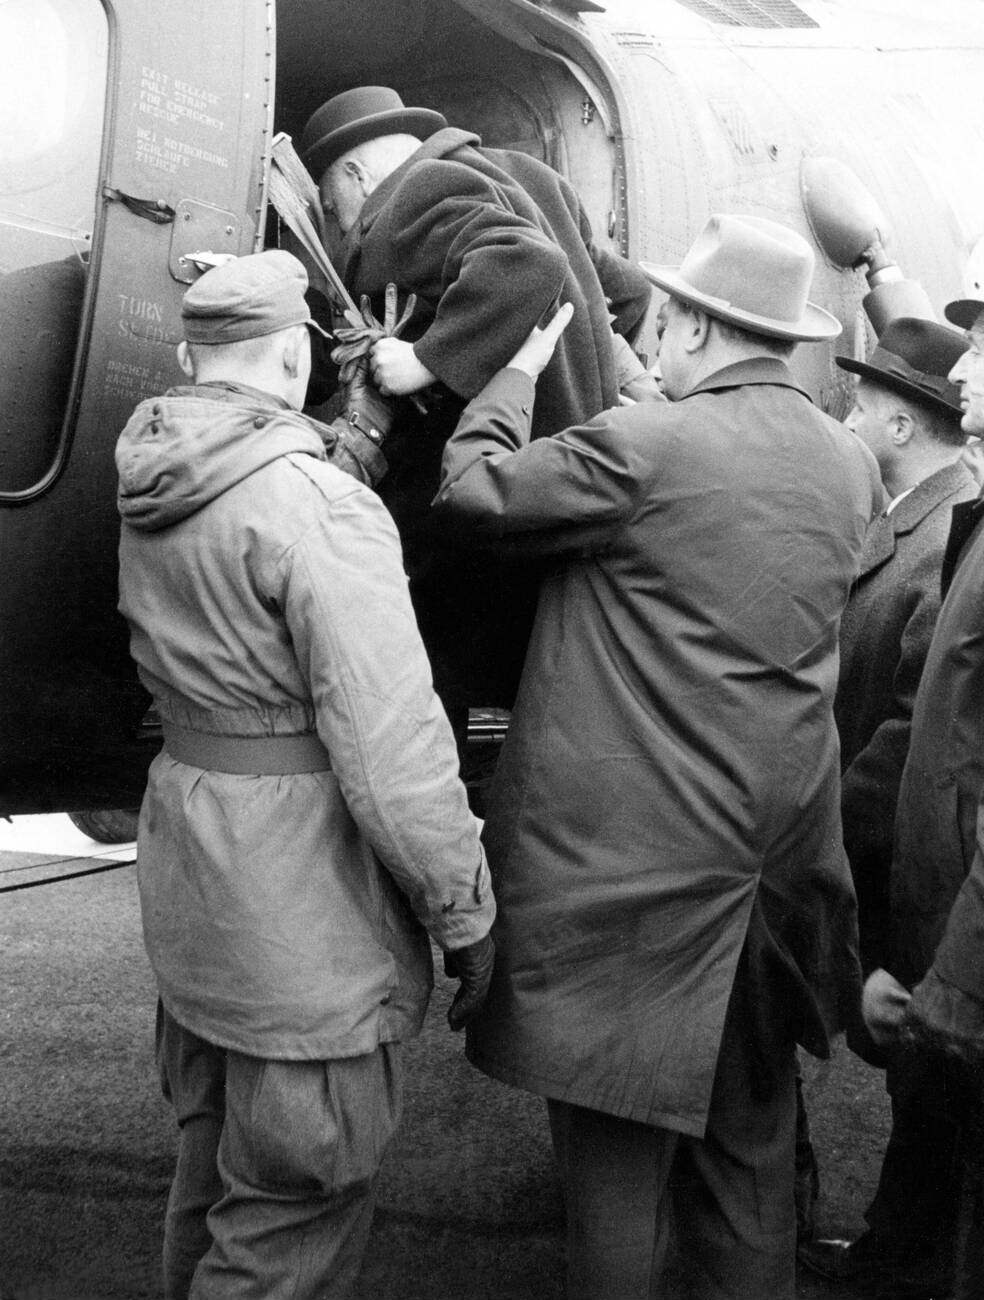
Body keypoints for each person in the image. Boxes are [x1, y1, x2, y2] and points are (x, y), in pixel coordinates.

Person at [432, 213, 881, 1300]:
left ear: (690, 324)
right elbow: (719, 523)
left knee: (616, 1200)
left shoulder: (645, 450)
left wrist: (514, 375)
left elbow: (471, 494)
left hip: (631, 903)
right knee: (745, 1178)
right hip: (771, 890)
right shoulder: (849, 465)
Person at [115, 250, 496, 1300]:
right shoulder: (321, 508)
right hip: (305, 931)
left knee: (211, 1185)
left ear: (196, 361)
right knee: (288, 1220)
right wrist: (464, 914)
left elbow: (265, 494)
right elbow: (394, 752)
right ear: (294, 356)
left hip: (200, 899)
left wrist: (356, 437)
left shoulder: (151, 472)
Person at [299, 85, 656, 721]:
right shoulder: (529, 175)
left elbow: (522, 262)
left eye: (332, 207)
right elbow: (625, 296)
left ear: (355, 175)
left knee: (431, 695)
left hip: (488, 508)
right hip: (568, 489)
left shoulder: (412, 194)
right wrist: (577, 364)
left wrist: (423, 361)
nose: (339, 226)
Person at [794, 315, 976, 1254]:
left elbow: (915, 728)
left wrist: (812, 818)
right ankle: (899, 1248)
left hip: (899, 852)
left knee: (924, 1075)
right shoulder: (906, 521)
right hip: (883, 844)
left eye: (858, 404)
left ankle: (903, 1258)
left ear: (902, 427)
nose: (844, 415)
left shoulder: (941, 539)